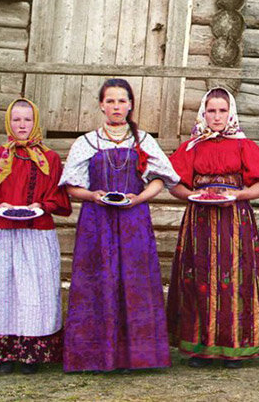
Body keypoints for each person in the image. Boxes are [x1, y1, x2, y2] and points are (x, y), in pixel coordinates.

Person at [59, 78, 180, 373]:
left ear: (130, 105)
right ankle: (94, 357)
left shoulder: (144, 141)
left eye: (122, 101)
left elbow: (160, 179)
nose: (116, 106)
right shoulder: (86, 143)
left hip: (133, 221)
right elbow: (72, 186)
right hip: (96, 221)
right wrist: (92, 195)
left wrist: (139, 198)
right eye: (110, 101)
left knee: (135, 281)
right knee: (97, 280)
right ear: (101, 105)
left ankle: (135, 357)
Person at [167, 87, 259, 369]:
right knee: (199, 277)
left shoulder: (244, 145)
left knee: (235, 278)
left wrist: (238, 195)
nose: (217, 117)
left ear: (231, 113)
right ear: (203, 113)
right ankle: (199, 348)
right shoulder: (192, 147)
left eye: (222, 111)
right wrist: (193, 195)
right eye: (211, 111)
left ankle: (234, 347)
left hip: (234, 221)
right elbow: (174, 184)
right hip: (200, 221)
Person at [0, 98, 71, 375]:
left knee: (35, 291)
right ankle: (1, 354)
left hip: (36, 234)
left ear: (35, 122)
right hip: (1, 233)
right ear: (8, 123)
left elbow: (59, 198)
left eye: (27, 119)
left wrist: (42, 205)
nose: (22, 125)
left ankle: (31, 354)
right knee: (0, 291)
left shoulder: (50, 159)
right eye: (16, 120)